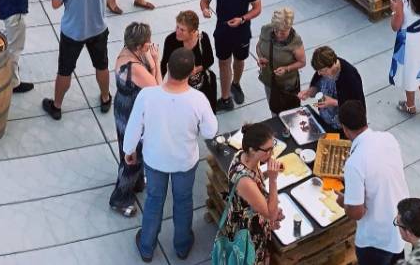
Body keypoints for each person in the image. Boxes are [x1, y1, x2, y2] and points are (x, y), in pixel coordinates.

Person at [122, 46, 218, 263]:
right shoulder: (198, 99)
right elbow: (211, 131)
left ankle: (146, 246)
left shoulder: (148, 95)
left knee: (154, 200)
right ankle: (182, 246)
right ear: (192, 71)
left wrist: (129, 151)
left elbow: (134, 126)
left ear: (166, 67)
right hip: (185, 162)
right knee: (183, 201)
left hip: (155, 160)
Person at [44, 0, 114, 121]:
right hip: (98, 28)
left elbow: (55, 3)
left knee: (65, 70)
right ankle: (106, 97)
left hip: (73, 32)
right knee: (102, 66)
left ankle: (57, 106)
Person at [340, 100, 410, 265]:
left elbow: (357, 213)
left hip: (376, 239)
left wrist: (343, 201)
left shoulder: (355, 163)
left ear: (344, 128)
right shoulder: (388, 138)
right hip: (400, 224)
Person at [109, 21, 160, 216]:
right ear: (139, 45)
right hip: (131, 113)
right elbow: (156, 89)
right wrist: (156, 64)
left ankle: (136, 183)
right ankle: (120, 198)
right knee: (132, 157)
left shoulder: (129, 50)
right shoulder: (135, 67)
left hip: (126, 106)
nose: (150, 45)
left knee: (133, 151)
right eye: (148, 42)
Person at [215, 121, 285, 264]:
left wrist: (266, 174)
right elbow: (269, 213)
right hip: (247, 231)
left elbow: (256, 181)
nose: (272, 153)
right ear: (252, 150)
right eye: (268, 150)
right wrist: (273, 179)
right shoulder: (244, 181)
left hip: (249, 216)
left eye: (273, 147)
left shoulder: (243, 155)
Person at [202, 0, 261, 111]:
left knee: (240, 60)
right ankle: (226, 98)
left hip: (242, 31)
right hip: (222, 31)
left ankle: (236, 84)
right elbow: (205, 0)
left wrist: (242, 19)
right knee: (223, 62)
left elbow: (257, 8)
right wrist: (205, 10)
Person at [253, 7, 306, 115]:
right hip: (269, 80)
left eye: (282, 32)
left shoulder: (295, 41)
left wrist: (287, 69)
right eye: (275, 30)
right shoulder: (266, 30)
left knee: (290, 114)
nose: (278, 34)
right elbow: (259, 46)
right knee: (274, 109)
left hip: (287, 85)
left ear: (290, 27)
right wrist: (260, 57)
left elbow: (302, 62)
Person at [302, 45, 366, 133]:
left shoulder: (350, 76)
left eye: (322, 70)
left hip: (343, 127)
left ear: (333, 64)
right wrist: (309, 92)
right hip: (325, 122)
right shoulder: (323, 68)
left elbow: (357, 105)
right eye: (317, 70)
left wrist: (333, 102)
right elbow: (316, 86)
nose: (319, 73)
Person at [161, 10, 218, 106]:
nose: (177, 32)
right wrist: (158, 86)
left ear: (192, 31)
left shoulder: (203, 39)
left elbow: (210, 60)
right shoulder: (171, 40)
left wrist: (197, 69)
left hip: (202, 85)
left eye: (182, 30)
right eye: (177, 27)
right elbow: (163, 64)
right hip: (180, 86)